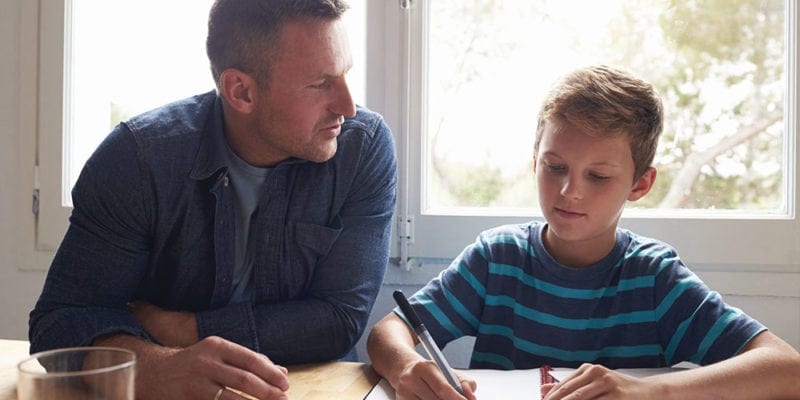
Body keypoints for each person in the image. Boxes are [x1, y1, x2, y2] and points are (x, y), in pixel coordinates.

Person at [29, 1, 397, 399]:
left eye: (345, 74)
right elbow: (61, 323)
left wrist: (184, 330)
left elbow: (339, 321)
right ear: (241, 91)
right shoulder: (137, 159)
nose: (348, 106)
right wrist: (156, 369)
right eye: (321, 83)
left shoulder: (363, 148)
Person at [366, 65, 800, 400]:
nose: (569, 191)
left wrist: (650, 390)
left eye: (598, 176)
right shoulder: (497, 258)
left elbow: (787, 368)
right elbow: (389, 331)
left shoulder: (654, 280)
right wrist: (405, 366)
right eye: (555, 167)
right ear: (535, 160)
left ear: (640, 184)